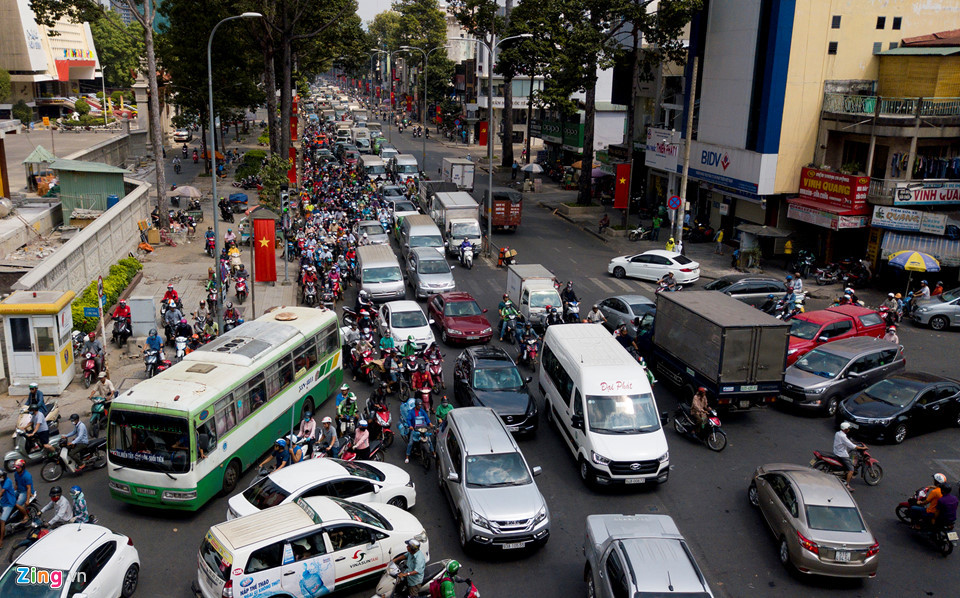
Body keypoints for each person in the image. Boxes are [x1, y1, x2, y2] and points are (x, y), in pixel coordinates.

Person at [834, 422, 866, 491]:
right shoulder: (843, 436)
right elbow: (852, 446)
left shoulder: (838, 433)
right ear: (845, 429)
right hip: (842, 454)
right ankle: (847, 485)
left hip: (836, 451)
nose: (849, 430)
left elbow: (846, 442)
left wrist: (851, 442)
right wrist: (862, 448)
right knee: (851, 469)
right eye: (848, 428)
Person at [405, 399, 434, 464]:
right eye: (418, 405)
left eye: (420, 405)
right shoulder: (411, 412)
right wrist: (410, 426)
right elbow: (408, 419)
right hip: (415, 429)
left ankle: (433, 452)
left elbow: (426, 418)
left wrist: (430, 423)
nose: (420, 406)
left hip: (422, 428)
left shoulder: (422, 411)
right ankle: (407, 456)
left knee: (429, 440)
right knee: (410, 443)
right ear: (416, 405)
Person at [0, 471, 15, 548]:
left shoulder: (7, 481)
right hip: (4, 500)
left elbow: (2, 491)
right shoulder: (2, 480)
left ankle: (1, 542)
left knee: (2, 521)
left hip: (9, 502)